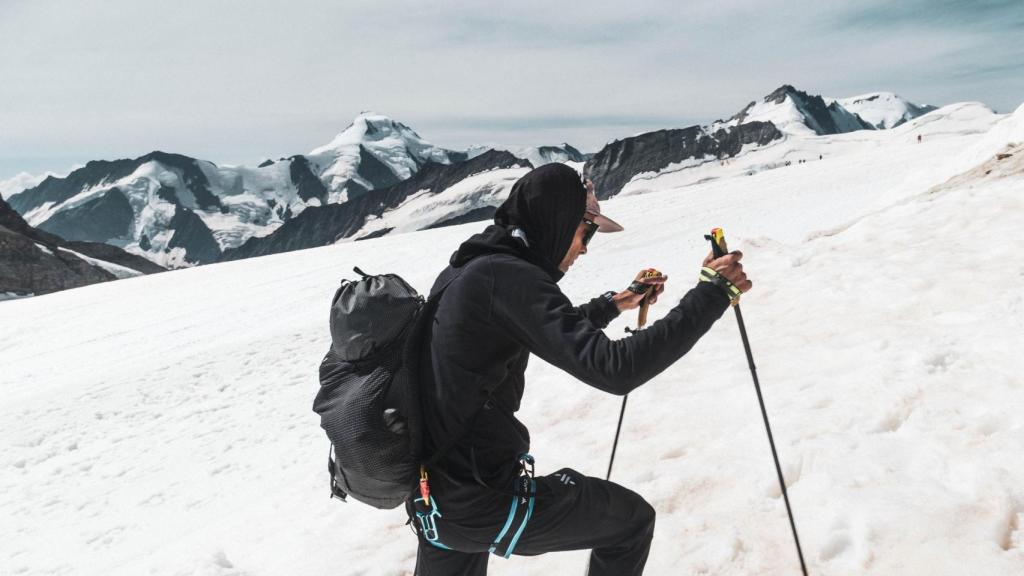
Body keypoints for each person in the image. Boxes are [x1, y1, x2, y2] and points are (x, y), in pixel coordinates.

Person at [408, 163, 752, 575]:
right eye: (585, 230)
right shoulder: (506, 275)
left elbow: (541, 328)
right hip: (481, 498)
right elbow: (616, 369)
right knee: (629, 523)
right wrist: (713, 294)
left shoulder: (474, 266)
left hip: (434, 501)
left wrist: (615, 303)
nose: (586, 247)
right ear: (557, 220)